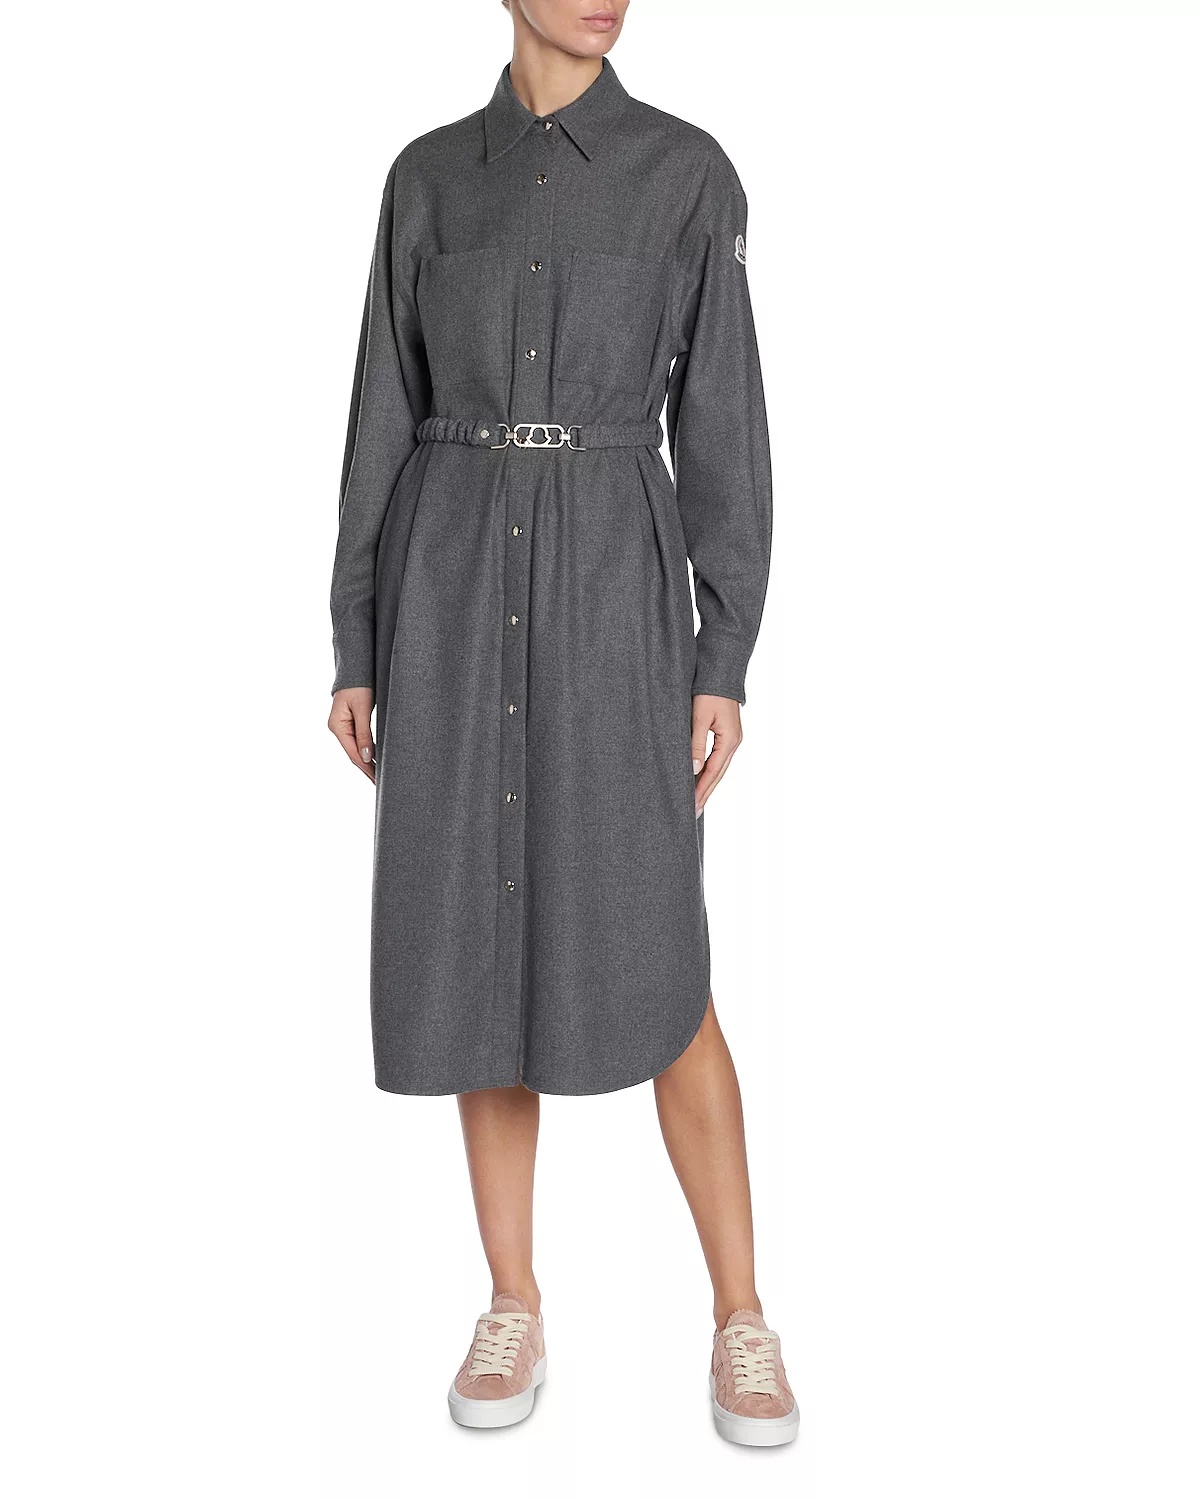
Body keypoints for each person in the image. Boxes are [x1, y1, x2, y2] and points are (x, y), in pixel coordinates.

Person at [327, 0, 792, 1446]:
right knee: (477, 947)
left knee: (663, 952)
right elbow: (379, 417)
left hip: (611, 590)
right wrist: (356, 639)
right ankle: (512, 1299)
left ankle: (741, 1315)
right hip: (451, 585)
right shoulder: (426, 177)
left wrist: (722, 655)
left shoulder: (686, 173)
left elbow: (724, 428)